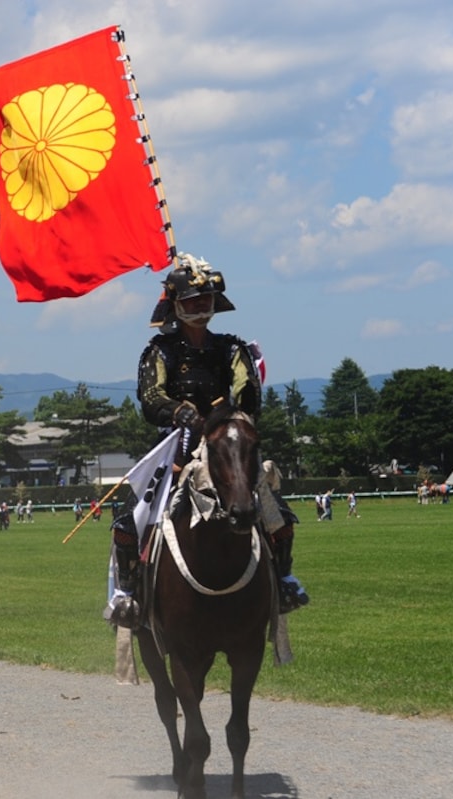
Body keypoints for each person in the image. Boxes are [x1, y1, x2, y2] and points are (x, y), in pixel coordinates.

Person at [108, 253, 309, 630]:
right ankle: (129, 593)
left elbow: (248, 396)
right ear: (176, 305)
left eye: (207, 300)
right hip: (176, 445)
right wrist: (180, 412)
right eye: (192, 301)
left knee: (277, 515)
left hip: (226, 439)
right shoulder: (160, 350)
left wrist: (243, 392)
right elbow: (151, 398)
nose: (202, 306)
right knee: (128, 519)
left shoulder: (232, 349)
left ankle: (284, 582)